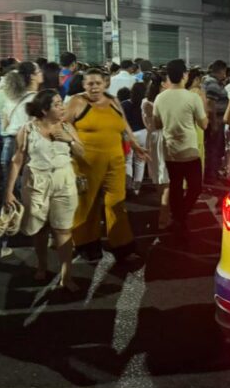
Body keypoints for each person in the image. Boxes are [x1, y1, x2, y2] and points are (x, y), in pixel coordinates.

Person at [4, 89, 83, 290]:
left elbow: (82, 152)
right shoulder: (27, 130)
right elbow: (17, 160)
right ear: (44, 110)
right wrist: (9, 191)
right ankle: (42, 265)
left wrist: (69, 139)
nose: (62, 107)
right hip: (36, 183)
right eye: (57, 104)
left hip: (64, 181)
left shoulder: (67, 127)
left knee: (63, 229)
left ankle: (66, 275)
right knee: (39, 230)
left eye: (61, 103)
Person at [66, 69, 148, 260]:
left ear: (105, 84)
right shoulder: (77, 101)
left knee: (116, 202)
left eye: (98, 83)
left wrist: (135, 144)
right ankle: (86, 243)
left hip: (115, 161)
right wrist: (74, 141)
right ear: (84, 85)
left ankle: (122, 245)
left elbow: (124, 124)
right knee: (87, 203)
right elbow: (65, 123)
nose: (94, 87)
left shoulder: (113, 101)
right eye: (90, 83)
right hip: (86, 162)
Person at [0, 62, 42, 256]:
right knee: (36, 189)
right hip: (28, 146)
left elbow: (1, 122)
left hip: (9, 144)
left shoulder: (8, 96)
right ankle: (39, 235)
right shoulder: (36, 99)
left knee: (9, 191)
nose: (41, 74)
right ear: (32, 76)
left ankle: (2, 242)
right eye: (38, 71)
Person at [153, 59, 208, 233]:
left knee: (175, 186)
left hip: (171, 151)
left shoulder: (160, 97)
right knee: (195, 188)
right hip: (190, 150)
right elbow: (204, 124)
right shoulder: (193, 97)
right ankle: (180, 216)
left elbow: (157, 123)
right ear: (185, 75)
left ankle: (178, 219)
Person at [142, 73, 170, 229]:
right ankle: (164, 213)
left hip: (152, 138)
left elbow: (147, 123)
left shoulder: (145, 102)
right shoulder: (161, 101)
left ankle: (164, 209)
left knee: (159, 175)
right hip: (163, 138)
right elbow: (160, 122)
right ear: (162, 84)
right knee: (166, 176)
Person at [202, 60, 228, 182]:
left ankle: (212, 173)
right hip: (215, 120)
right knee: (214, 148)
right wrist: (214, 124)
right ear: (221, 71)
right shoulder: (212, 84)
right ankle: (211, 176)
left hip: (216, 119)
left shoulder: (210, 81)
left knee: (213, 147)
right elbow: (210, 104)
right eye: (224, 71)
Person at [122, 82, 149, 195]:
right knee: (140, 162)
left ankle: (127, 186)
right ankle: (136, 189)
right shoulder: (146, 104)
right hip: (143, 133)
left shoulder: (124, 104)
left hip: (129, 134)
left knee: (128, 161)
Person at [186, 68, 207, 174]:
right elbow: (204, 112)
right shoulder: (199, 93)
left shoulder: (184, 92)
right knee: (198, 153)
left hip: (186, 125)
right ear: (197, 79)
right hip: (198, 126)